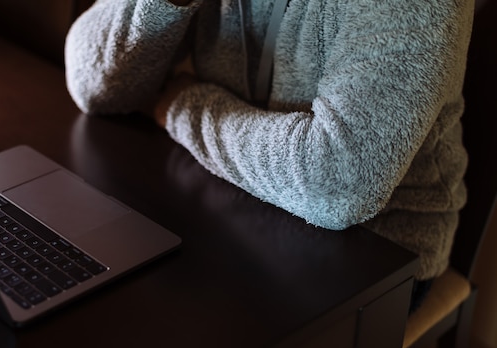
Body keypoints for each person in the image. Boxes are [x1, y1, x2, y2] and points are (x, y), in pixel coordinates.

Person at [64, 0, 474, 314]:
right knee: (85, 308)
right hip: (229, 199)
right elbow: (90, 86)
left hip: (377, 251)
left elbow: (336, 182)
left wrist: (183, 105)